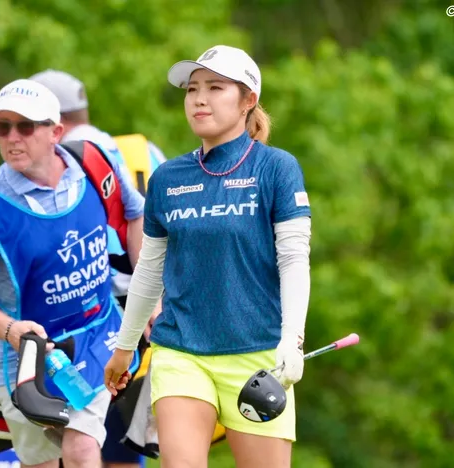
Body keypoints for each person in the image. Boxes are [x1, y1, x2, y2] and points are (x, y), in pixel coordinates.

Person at [104, 45, 313, 468]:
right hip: (180, 352)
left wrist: (292, 338)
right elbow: (150, 271)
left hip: (257, 356)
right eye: (192, 89)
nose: (199, 99)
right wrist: (125, 347)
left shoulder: (277, 168)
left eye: (215, 88)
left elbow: (294, 260)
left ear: (248, 100)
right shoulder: (167, 178)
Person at [0, 78, 145, 468]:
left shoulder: (95, 161)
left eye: (25, 126)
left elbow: (135, 213)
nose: (12, 137)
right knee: (40, 462)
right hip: (29, 357)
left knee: (81, 446)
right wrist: (11, 330)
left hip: (98, 334)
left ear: (56, 132)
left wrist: (149, 297)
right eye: (1, 127)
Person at [30, 69, 164, 468]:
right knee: (122, 450)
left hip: (91, 321)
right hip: (150, 313)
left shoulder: (63, 156)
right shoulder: (143, 151)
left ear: (52, 120)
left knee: (70, 442)